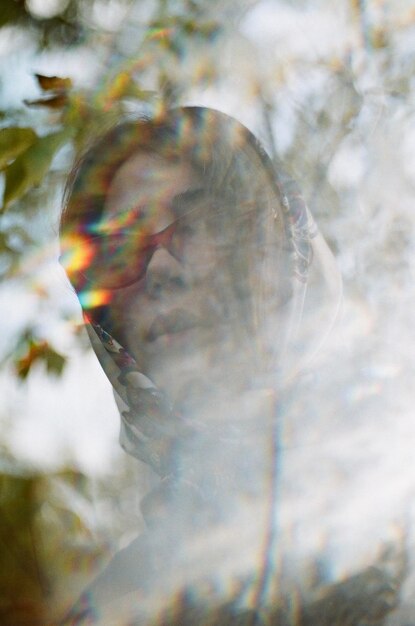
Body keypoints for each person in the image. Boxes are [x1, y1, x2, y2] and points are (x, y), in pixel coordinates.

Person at [59, 106, 342, 624]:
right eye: (121, 248)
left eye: (199, 222)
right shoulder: (119, 605)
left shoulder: (389, 481)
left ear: (273, 247)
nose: (160, 268)